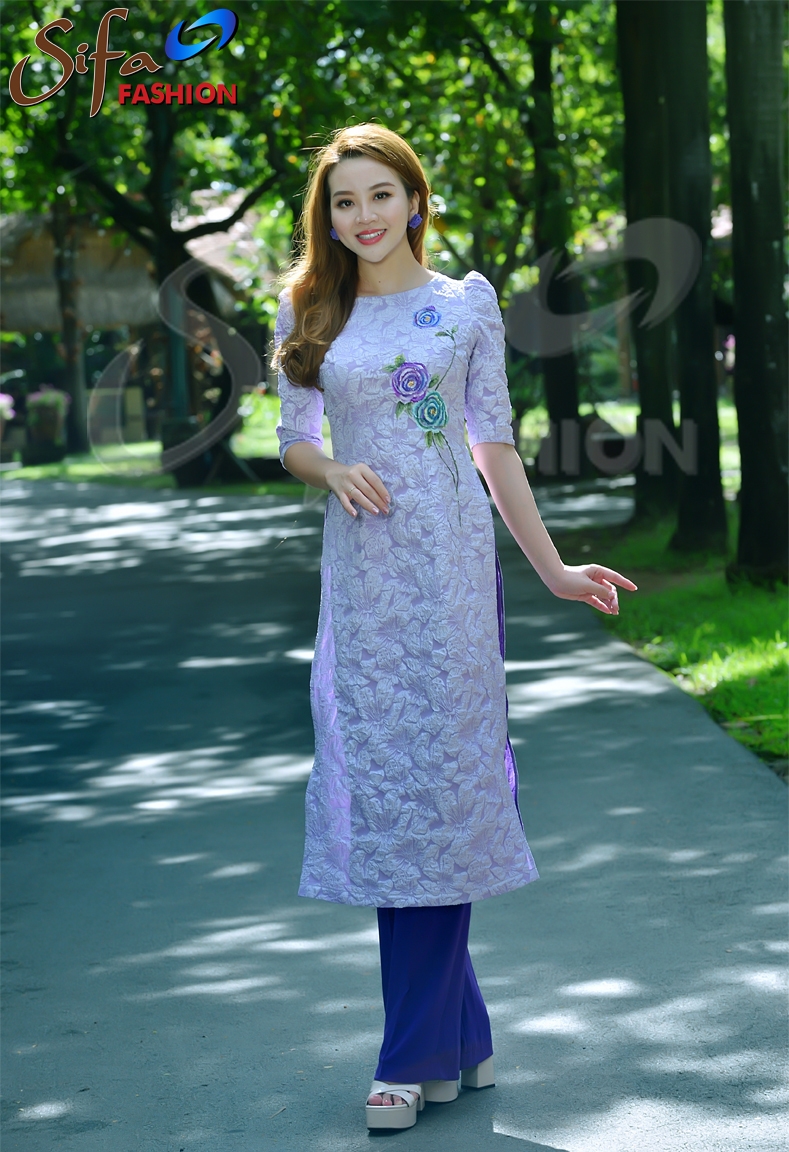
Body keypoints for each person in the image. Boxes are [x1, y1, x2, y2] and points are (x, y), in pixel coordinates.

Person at [273, 123, 637, 1132]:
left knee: (439, 784)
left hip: (450, 576)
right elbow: (292, 439)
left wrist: (553, 569)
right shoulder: (309, 310)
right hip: (365, 579)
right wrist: (330, 467)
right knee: (391, 790)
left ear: (414, 199)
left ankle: (409, 1058)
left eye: (380, 195)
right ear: (327, 217)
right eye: (344, 202)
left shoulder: (464, 305)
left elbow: (494, 447)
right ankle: (455, 1037)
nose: (364, 216)